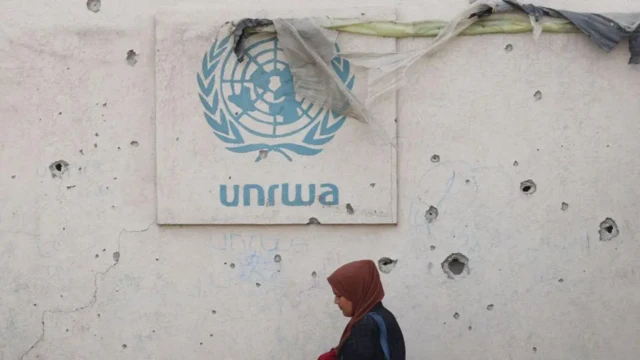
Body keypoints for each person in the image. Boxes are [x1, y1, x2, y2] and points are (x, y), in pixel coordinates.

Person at [317, 259, 406, 360]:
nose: (336, 301)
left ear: (356, 292)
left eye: (339, 295)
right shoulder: (383, 315)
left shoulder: (366, 325)